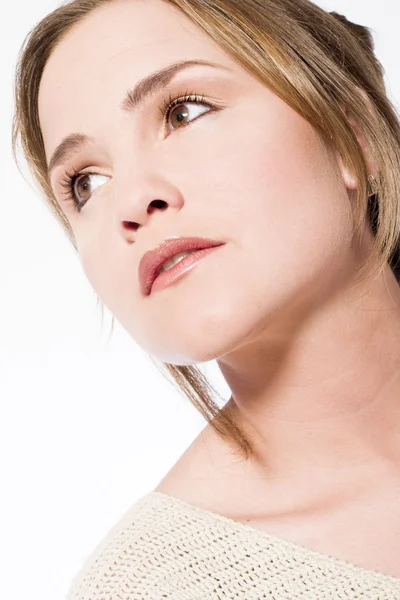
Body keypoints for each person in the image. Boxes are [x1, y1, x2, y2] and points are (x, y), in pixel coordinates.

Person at [12, 0, 400, 597]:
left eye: (184, 112)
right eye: (85, 182)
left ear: (350, 137)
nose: (132, 200)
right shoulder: (157, 586)